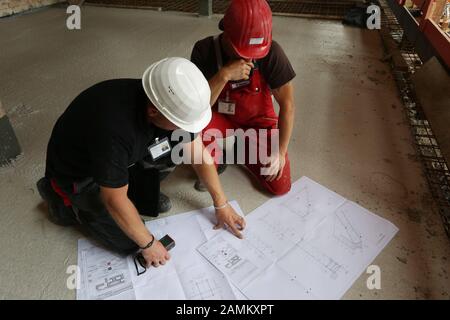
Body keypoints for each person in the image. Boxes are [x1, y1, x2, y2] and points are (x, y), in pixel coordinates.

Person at [36, 57, 245, 268]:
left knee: (175, 147)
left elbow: (199, 154)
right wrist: (149, 243)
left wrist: (221, 203)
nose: (187, 127)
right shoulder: (114, 129)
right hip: (79, 174)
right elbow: (113, 199)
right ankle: (62, 204)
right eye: (182, 123)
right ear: (153, 110)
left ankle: (133, 192)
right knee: (129, 243)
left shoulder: (167, 102)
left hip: (120, 153)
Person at [191, 0, 296, 195]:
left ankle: (243, 148)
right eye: (243, 52)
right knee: (192, 131)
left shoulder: (272, 52)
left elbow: (287, 105)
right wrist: (223, 76)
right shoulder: (204, 51)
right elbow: (196, 109)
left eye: (254, 54)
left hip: (257, 122)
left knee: (279, 186)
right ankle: (216, 158)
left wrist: (280, 152)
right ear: (227, 34)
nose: (249, 59)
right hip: (218, 117)